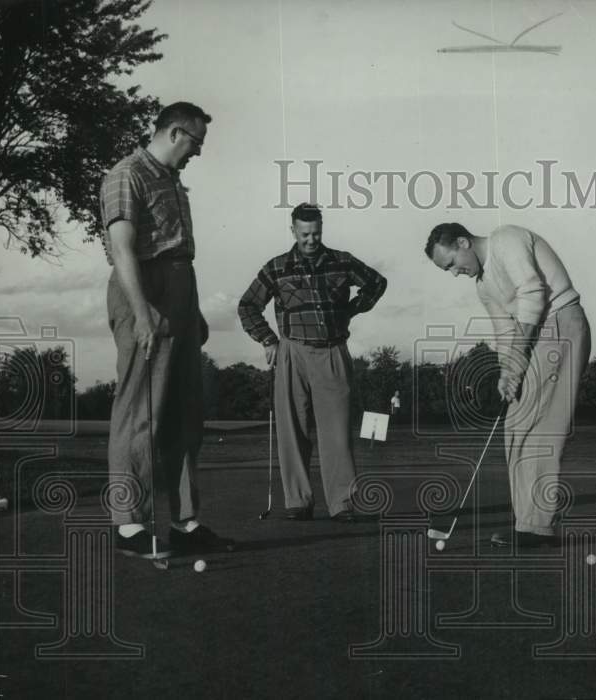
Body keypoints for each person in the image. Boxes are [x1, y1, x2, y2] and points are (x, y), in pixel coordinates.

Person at [100, 102, 234, 558]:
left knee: (184, 414)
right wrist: (141, 312)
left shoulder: (173, 180)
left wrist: (191, 310)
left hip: (180, 291)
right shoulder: (126, 174)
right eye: (196, 142)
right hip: (144, 289)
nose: (198, 151)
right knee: (140, 411)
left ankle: (183, 521)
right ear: (175, 132)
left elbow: (177, 251)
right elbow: (122, 249)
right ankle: (127, 524)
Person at [426, 223, 591, 547]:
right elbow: (504, 331)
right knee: (515, 425)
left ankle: (537, 527)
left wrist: (516, 362)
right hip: (536, 337)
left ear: (463, 242)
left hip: (561, 324)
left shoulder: (506, 240)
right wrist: (506, 373)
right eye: (448, 270)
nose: (455, 273)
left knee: (540, 430)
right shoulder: (483, 286)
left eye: (452, 263)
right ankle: (527, 524)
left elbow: (533, 293)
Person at [238, 203, 386, 521]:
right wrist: (267, 339)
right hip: (291, 352)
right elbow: (247, 305)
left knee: (337, 433)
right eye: (304, 234)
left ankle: (342, 503)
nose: (311, 240)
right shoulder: (276, 267)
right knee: (293, 429)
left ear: (322, 229)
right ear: (293, 230)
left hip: (332, 351)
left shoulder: (342, 261)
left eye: (316, 233)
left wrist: (350, 310)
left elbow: (377, 283)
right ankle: (298, 501)